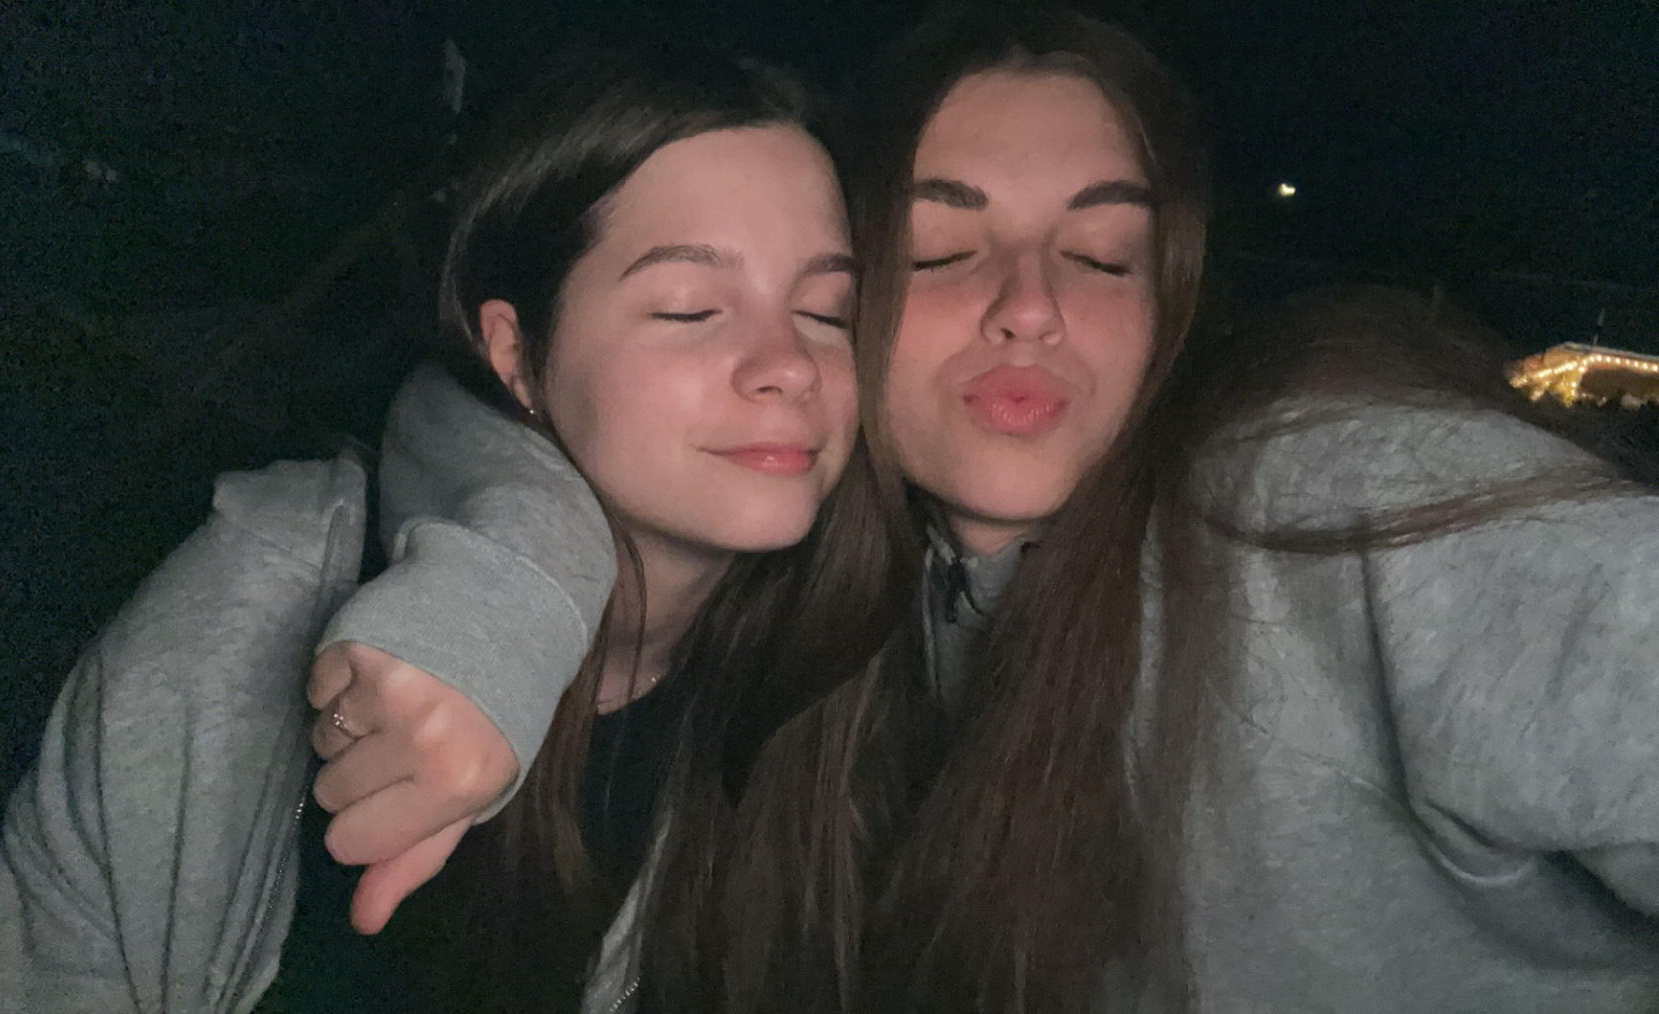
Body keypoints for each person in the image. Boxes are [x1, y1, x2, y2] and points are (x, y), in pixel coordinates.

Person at [323, 6, 1659, 1013]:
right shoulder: (820, 610)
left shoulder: (1320, 504)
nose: (1029, 305)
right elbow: (471, 407)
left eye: (1102, 254)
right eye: (943, 248)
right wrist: (509, 572)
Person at [0, 44, 901, 1014]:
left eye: (826, 311)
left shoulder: (840, 678)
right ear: (516, 354)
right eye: (690, 308)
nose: (790, 363)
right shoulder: (264, 585)